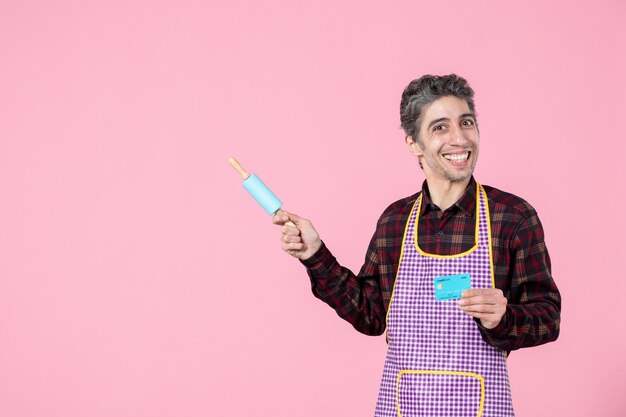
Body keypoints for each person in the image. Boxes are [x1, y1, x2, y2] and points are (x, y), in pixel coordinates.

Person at [272, 74, 560, 417]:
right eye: (440, 127)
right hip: (402, 408)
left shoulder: (512, 218)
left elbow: (548, 317)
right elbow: (370, 315)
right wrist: (315, 255)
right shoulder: (395, 220)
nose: (459, 138)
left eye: (466, 122)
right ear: (414, 144)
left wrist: (504, 317)